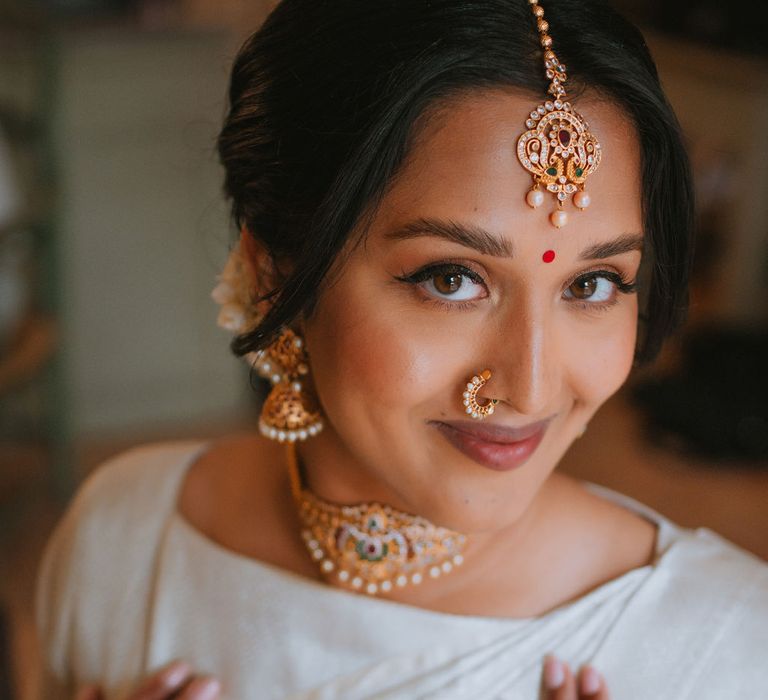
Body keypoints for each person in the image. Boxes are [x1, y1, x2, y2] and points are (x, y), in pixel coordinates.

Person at [36, 0, 768, 698]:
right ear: (271, 273)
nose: (533, 388)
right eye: (452, 279)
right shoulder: (123, 542)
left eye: (595, 283)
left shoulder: (719, 644)